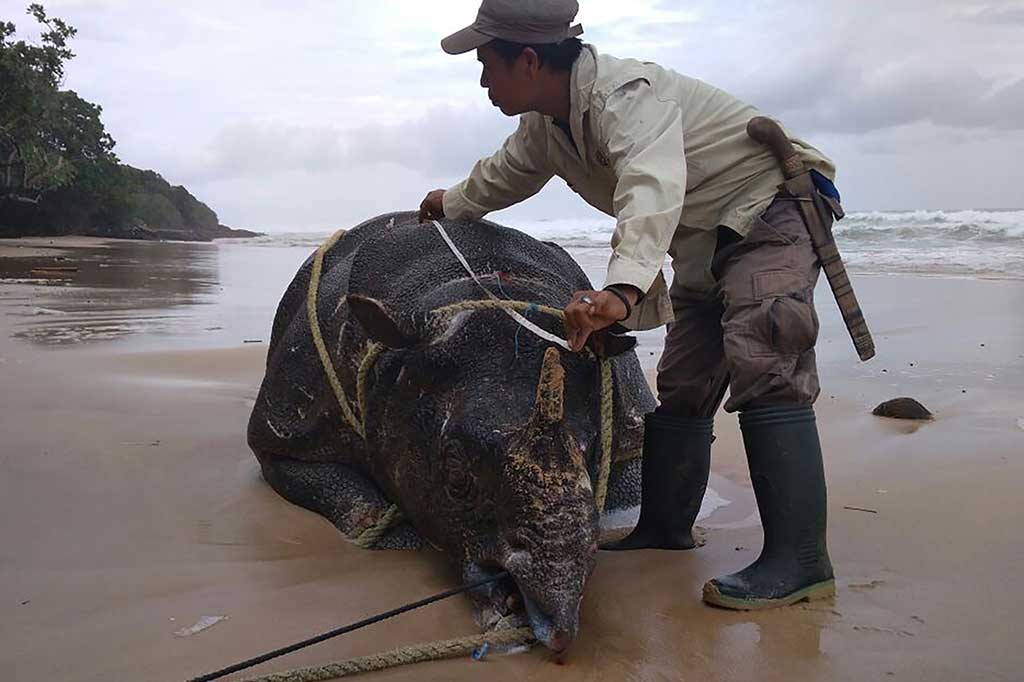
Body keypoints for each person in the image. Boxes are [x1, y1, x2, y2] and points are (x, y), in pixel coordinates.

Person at [418, 0, 839, 610]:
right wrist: (450, 203)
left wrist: (621, 290)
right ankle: (664, 530)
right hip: (701, 237)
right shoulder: (546, 126)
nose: (483, 81)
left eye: (487, 64)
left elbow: (651, 183)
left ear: (529, 60)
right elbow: (504, 175)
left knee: (764, 357)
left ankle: (801, 560)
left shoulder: (627, 97)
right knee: (685, 381)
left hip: (770, 205)